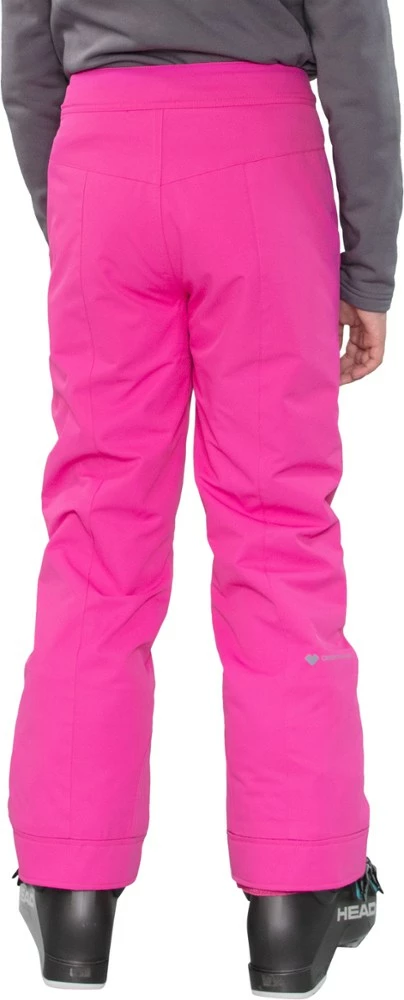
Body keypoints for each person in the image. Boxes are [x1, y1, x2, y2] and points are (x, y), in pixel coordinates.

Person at [1, 1, 401, 995]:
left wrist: (78, 211)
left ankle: (68, 886)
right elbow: (353, 45)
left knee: (96, 534)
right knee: (277, 528)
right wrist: (368, 269)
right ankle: (298, 894)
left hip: (100, 151)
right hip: (259, 161)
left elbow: (24, 49)